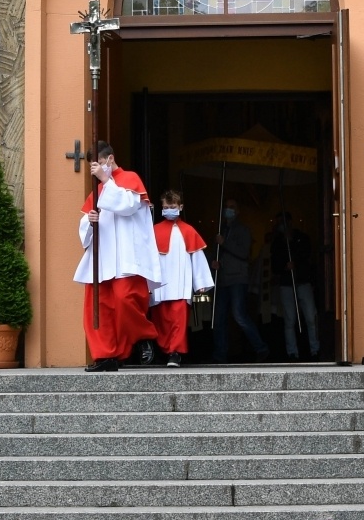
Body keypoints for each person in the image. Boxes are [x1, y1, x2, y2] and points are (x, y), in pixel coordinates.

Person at [76, 142, 162, 372]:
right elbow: (84, 223)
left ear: (111, 159)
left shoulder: (129, 179)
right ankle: (106, 355)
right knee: (98, 307)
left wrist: (105, 180)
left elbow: (128, 205)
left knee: (126, 300)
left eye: (101, 165)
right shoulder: (98, 190)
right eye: (95, 167)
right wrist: (89, 221)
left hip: (126, 257)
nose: (99, 170)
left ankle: (143, 335)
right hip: (103, 258)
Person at [149, 191, 214, 367]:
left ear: (180, 207)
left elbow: (197, 258)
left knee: (178, 320)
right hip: (159, 285)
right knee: (161, 320)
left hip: (181, 283)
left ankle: (175, 353)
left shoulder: (188, 230)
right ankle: (165, 349)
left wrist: (200, 283)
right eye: (166, 207)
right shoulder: (153, 231)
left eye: (172, 207)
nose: (169, 210)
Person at [211, 197, 270, 363]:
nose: (228, 209)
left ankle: (261, 347)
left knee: (239, 316)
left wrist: (225, 243)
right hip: (223, 278)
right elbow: (216, 253)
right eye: (226, 207)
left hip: (238, 278)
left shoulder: (243, 230)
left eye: (232, 207)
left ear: (237, 211)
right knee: (219, 318)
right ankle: (219, 355)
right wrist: (214, 262)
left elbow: (244, 253)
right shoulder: (220, 230)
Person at [269, 212, 321, 360]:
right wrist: (285, 266)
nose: (281, 225)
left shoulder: (302, 238)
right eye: (279, 222)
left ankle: (315, 349)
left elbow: (307, 255)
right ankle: (292, 352)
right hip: (286, 284)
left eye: (284, 222)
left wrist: (295, 263)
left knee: (311, 317)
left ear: (290, 222)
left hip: (303, 281)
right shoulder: (278, 242)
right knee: (289, 319)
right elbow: (275, 265)